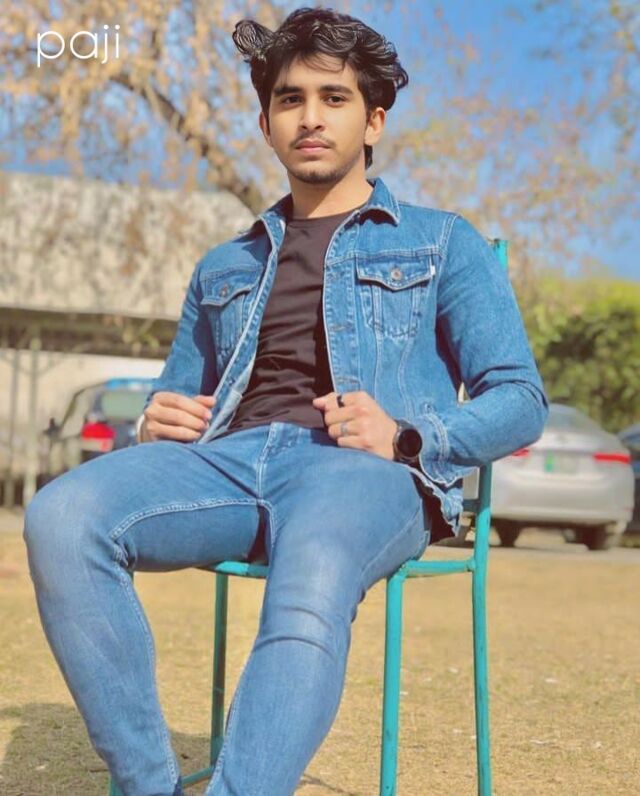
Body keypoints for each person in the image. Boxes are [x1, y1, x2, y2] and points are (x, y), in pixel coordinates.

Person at [23, 7, 548, 795]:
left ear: (373, 121)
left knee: (316, 562)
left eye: (334, 98)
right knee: (60, 517)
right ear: (266, 124)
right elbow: (180, 392)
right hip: (231, 465)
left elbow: (521, 398)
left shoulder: (442, 242)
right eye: (290, 99)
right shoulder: (223, 265)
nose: (310, 117)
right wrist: (153, 420)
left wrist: (408, 436)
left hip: (365, 474)